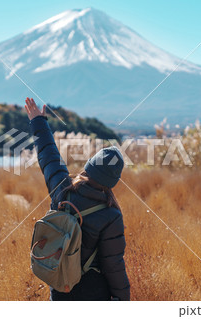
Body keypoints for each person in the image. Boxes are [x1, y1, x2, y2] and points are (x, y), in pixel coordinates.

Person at [24, 97, 130, 301]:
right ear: (113, 181)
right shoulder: (110, 214)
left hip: (59, 285)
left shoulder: (62, 189)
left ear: (89, 166)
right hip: (93, 292)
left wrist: (38, 122)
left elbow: (49, 156)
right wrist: (122, 300)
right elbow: (113, 264)